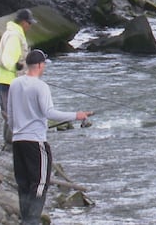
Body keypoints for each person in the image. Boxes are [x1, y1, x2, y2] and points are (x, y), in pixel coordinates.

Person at [7, 49, 93, 225]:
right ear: (39, 65)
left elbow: (10, 115)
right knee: (40, 183)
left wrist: (18, 130)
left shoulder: (15, 84)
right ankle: (31, 221)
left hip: (17, 142)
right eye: (44, 64)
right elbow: (49, 112)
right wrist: (76, 115)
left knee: (23, 183)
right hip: (36, 143)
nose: (44, 66)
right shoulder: (41, 86)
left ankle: (26, 220)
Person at [0, 8, 36, 148]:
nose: (30, 26)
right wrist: (17, 67)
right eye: (30, 23)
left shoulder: (13, 33)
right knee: (13, 114)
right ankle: (11, 145)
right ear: (24, 22)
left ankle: (9, 144)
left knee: (10, 114)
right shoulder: (14, 36)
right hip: (9, 81)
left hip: (7, 80)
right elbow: (7, 59)